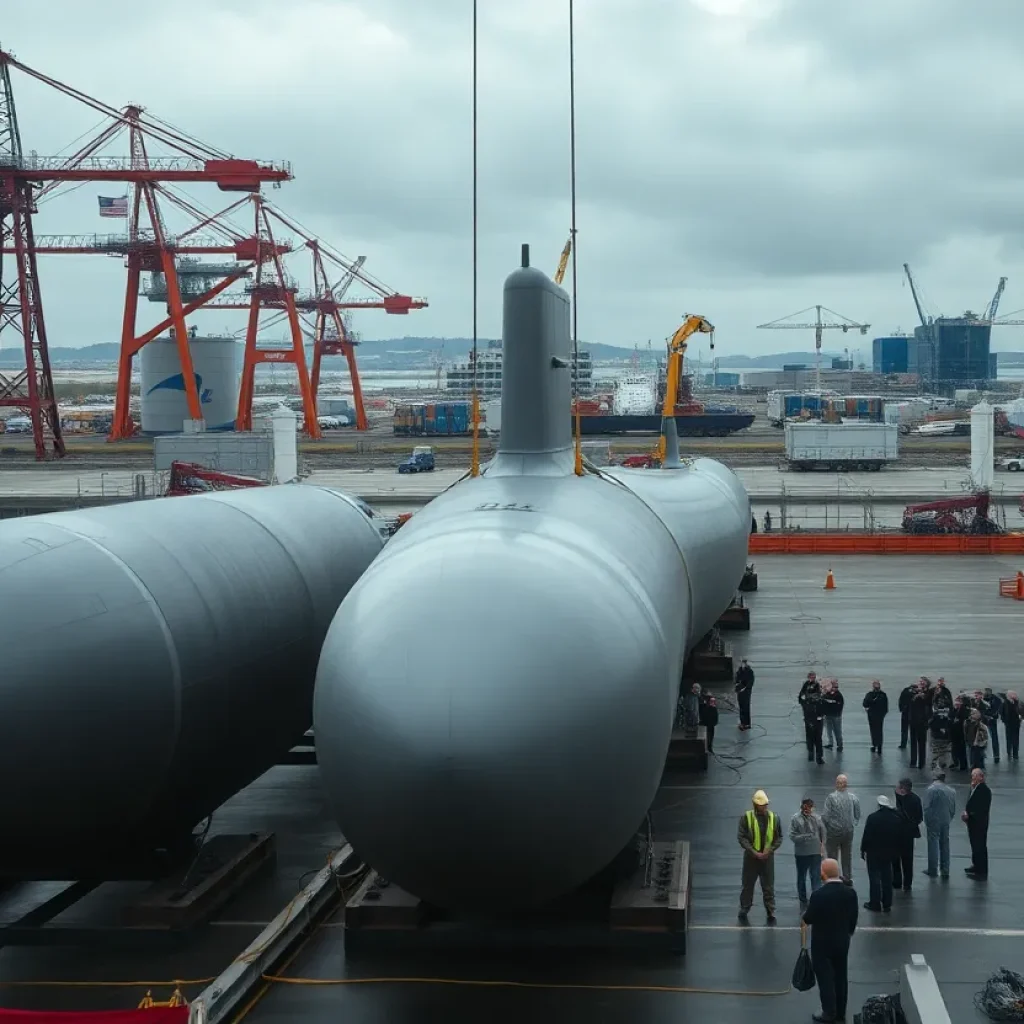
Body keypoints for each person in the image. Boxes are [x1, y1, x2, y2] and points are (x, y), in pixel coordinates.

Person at [803, 858, 859, 1024]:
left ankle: (829, 1012)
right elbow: (853, 918)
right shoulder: (850, 893)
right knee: (841, 976)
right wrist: (848, 932)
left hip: (822, 943)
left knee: (826, 977)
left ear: (823, 873)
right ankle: (841, 1012)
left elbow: (809, 918)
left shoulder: (818, 895)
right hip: (842, 940)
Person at [737, 789, 783, 924]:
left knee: (768, 885)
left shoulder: (774, 818)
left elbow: (779, 837)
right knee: (748, 884)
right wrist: (753, 851)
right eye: (762, 805)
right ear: (755, 804)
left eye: (765, 805)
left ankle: (770, 910)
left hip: (767, 858)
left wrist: (770, 850)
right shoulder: (747, 817)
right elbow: (741, 837)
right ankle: (744, 908)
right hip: (751, 858)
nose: (764, 807)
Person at [860, 794, 903, 912]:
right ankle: (887, 903)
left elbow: (867, 836)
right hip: (889, 853)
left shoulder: (872, 818)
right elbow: (899, 837)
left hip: (874, 852)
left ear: (879, 805)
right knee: (887, 878)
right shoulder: (896, 818)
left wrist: (863, 850)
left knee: (874, 878)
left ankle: (875, 903)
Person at [822, 774, 861, 881]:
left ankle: (833, 876)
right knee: (847, 855)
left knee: (832, 855)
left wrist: (828, 827)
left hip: (834, 832)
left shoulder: (831, 798)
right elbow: (857, 814)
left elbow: (825, 816)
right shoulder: (853, 797)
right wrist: (852, 824)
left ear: (836, 784)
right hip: (848, 831)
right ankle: (847, 877)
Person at [789, 796, 826, 908]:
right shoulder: (795, 819)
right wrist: (805, 837)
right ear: (801, 807)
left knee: (815, 876)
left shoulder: (817, 818)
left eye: (809, 807)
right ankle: (803, 898)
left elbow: (823, 832)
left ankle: (816, 897)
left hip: (815, 852)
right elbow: (792, 836)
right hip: (802, 853)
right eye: (805, 807)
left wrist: (822, 846)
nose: (807, 810)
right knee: (802, 876)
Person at [923, 771, 956, 880]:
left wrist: (927, 820)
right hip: (946, 819)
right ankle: (945, 869)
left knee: (933, 844)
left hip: (933, 819)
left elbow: (926, 807)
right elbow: (953, 808)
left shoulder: (931, 790)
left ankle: (932, 869)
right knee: (945, 843)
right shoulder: (951, 791)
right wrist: (949, 817)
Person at [891, 777, 923, 892]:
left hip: (899, 833)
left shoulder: (902, 800)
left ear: (903, 789)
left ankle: (897, 881)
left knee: (896, 859)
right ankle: (908, 883)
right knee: (908, 860)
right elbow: (920, 817)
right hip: (910, 835)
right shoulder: (916, 799)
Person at [963, 768, 991, 880]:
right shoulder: (974, 788)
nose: (973, 778)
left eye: (975, 776)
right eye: (972, 776)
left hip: (979, 823)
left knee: (979, 845)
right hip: (972, 822)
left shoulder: (984, 790)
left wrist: (970, 814)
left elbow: (982, 808)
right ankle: (976, 864)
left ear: (981, 777)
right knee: (974, 845)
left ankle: (981, 869)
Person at [799, 672, 825, 765]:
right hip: (809, 717)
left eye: (813, 677)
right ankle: (811, 753)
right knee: (809, 736)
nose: (812, 678)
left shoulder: (817, 687)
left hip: (817, 718)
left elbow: (821, 703)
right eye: (811, 677)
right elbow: (800, 697)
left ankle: (819, 756)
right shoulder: (806, 685)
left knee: (818, 738)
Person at [908, 681, 931, 770]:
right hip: (913, 721)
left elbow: (929, 703)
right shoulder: (912, 693)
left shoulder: (927, 694)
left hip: (922, 722)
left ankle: (922, 762)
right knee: (913, 742)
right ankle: (913, 761)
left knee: (921, 744)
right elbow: (905, 699)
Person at [863, 679, 889, 755]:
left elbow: (865, 703)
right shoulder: (883, 695)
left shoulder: (870, 694)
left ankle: (875, 745)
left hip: (872, 715)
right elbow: (886, 707)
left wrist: (868, 708)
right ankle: (879, 746)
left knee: (874, 730)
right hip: (879, 715)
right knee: (879, 731)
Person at [929, 695, 953, 773]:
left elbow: (931, 724)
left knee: (937, 751)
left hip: (937, 736)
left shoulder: (935, 714)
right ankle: (941, 764)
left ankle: (935, 764)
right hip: (943, 736)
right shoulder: (948, 714)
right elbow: (950, 724)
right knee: (943, 752)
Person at [822, 679, 845, 753]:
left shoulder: (839, 696)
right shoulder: (827, 694)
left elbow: (838, 706)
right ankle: (830, 743)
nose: (835, 688)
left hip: (836, 716)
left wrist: (830, 703)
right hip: (828, 715)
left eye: (836, 687)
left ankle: (840, 745)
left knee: (837, 731)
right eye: (834, 687)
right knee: (829, 731)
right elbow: (823, 702)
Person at [983, 686, 1003, 764]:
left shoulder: (995, 700)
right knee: (991, 738)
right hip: (987, 720)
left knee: (994, 738)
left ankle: (996, 756)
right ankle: (995, 756)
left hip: (991, 720)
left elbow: (996, 708)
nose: (986, 693)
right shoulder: (985, 699)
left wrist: (990, 715)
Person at [1001, 690, 1022, 762]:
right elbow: (1002, 712)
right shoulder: (1005, 703)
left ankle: (1015, 753)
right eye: (1014, 694)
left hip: (1016, 723)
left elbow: (1022, 711)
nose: (1016, 695)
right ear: (1009, 695)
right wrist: (1004, 721)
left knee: (1016, 739)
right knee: (1009, 738)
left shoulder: (1018, 702)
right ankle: (1009, 751)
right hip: (1008, 724)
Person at [735, 658, 755, 731]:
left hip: (746, 692)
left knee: (746, 707)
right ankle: (742, 722)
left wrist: (745, 688)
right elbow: (737, 680)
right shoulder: (739, 671)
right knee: (741, 707)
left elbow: (751, 682)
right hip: (740, 691)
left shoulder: (750, 672)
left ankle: (747, 723)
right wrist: (738, 687)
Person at [951, 694, 970, 771]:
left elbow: (962, 720)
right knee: (955, 749)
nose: (956, 703)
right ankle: (956, 763)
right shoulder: (954, 710)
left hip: (961, 733)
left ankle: (963, 765)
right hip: (955, 733)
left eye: (958, 702)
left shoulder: (964, 710)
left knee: (961, 750)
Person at [898, 681, 915, 749]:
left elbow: (900, 700)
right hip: (913, 713)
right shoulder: (916, 692)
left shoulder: (905, 690)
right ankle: (912, 743)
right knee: (912, 729)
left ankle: (903, 744)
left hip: (905, 712)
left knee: (904, 729)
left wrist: (901, 708)